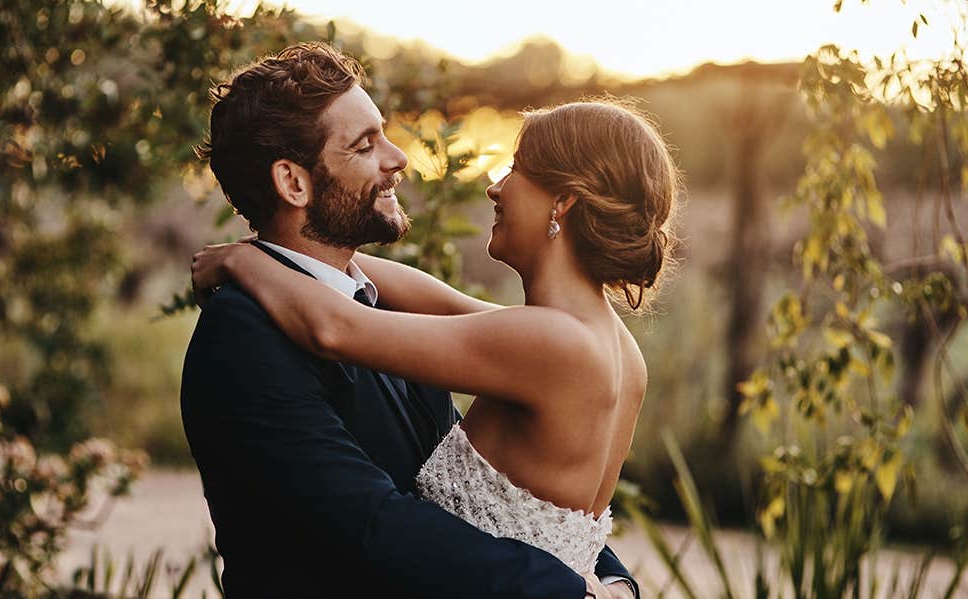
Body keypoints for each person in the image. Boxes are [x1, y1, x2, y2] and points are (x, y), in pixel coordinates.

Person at [180, 42, 641, 598]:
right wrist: (574, 592)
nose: (399, 158)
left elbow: (506, 488)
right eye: (365, 144)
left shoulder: (392, 315)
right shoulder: (243, 333)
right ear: (294, 183)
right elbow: (371, 525)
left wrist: (609, 580)